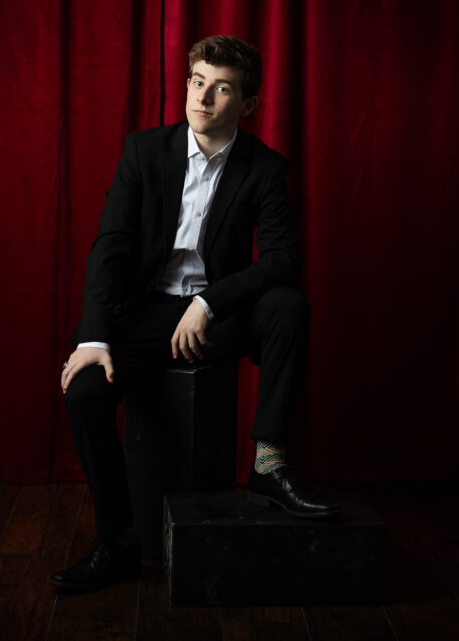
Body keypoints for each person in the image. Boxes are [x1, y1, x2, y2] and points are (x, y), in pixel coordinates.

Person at [50, 35, 338, 593]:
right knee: (84, 391)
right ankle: (118, 542)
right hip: (150, 311)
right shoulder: (143, 151)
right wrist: (95, 337)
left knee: (287, 307)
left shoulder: (263, 167)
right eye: (197, 81)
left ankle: (270, 464)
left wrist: (210, 302)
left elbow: (281, 259)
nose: (203, 98)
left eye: (222, 87)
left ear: (246, 105)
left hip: (219, 312)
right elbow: (109, 246)